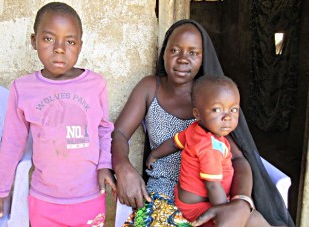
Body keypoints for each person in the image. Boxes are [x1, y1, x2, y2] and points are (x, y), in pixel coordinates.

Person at [111, 19, 294, 226]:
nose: (182, 59)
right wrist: (122, 166)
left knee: (254, 221)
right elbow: (120, 133)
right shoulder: (150, 88)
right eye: (174, 50)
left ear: (203, 58)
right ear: (164, 53)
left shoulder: (212, 98)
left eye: (193, 53)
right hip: (162, 195)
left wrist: (241, 201)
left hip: (211, 197)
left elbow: (239, 159)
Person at [0, 2, 116, 226]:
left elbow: (103, 128)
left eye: (70, 41)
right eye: (49, 39)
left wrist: (104, 165)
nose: (59, 48)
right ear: (34, 41)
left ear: (80, 45)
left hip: (89, 196)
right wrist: (0, 190)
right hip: (44, 200)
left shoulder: (95, 84)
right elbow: (12, 143)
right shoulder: (22, 88)